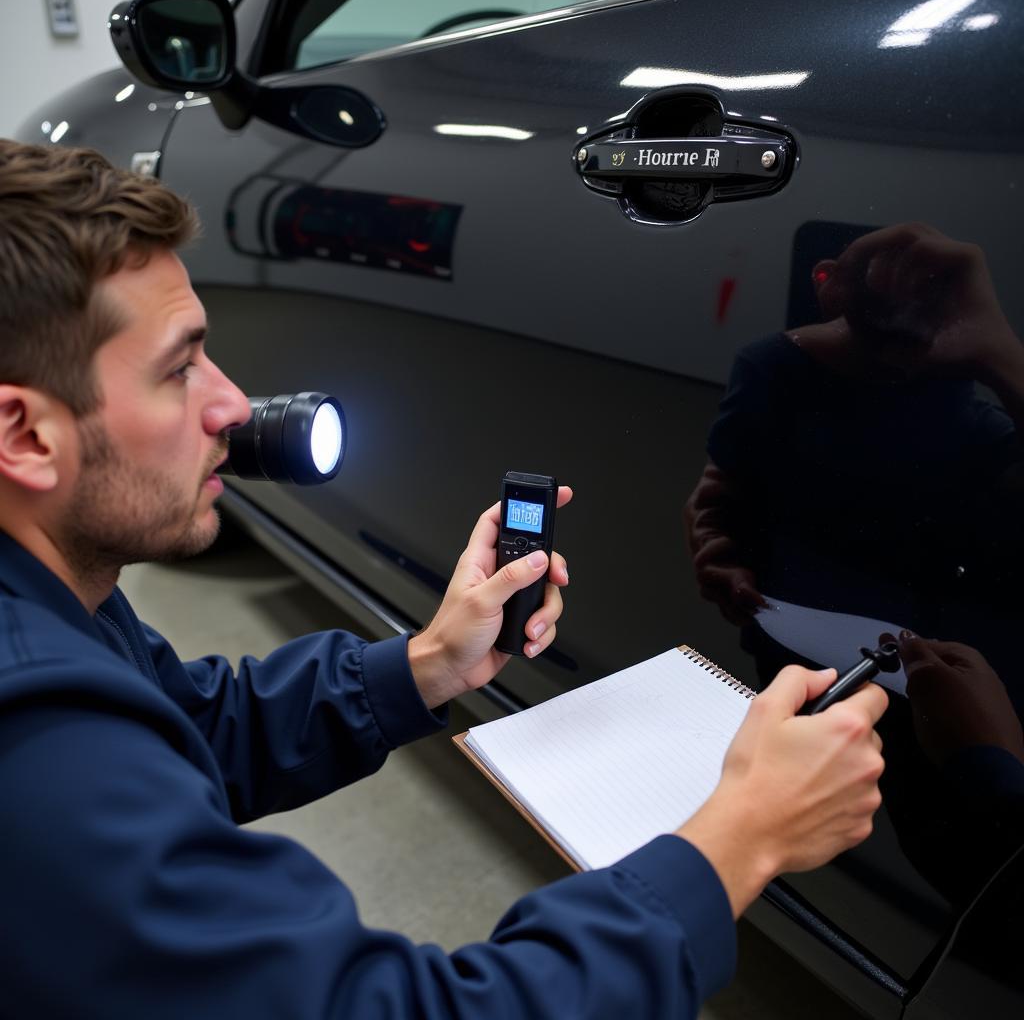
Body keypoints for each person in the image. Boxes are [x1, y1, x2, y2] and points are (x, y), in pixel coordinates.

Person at [0, 138, 887, 1019]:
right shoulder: (40, 745)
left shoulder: (59, 600)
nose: (231, 402)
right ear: (26, 436)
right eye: (179, 366)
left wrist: (427, 664)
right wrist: (739, 838)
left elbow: (193, 729)